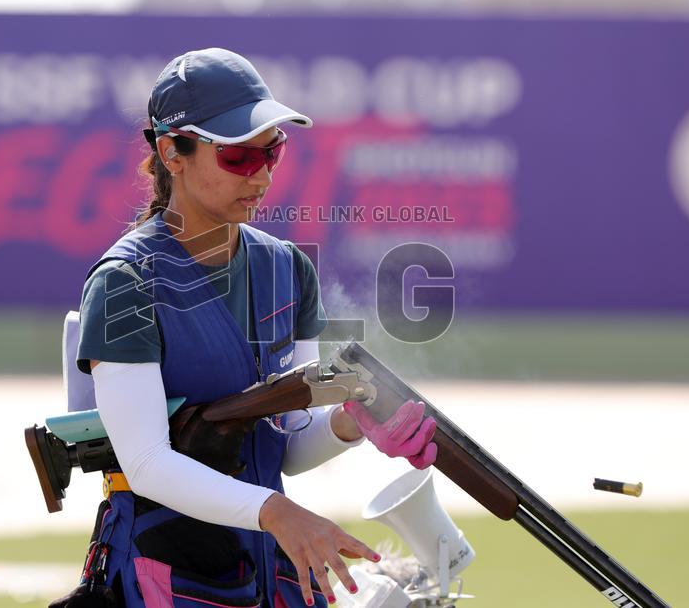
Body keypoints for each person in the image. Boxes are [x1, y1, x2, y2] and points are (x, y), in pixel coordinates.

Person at [68, 48, 438, 608]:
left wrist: (350, 421)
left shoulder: (288, 269)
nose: (262, 174)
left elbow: (285, 444)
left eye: (273, 152)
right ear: (172, 153)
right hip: (167, 575)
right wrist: (277, 513)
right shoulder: (125, 282)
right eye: (239, 156)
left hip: (269, 570)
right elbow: (145, 465)